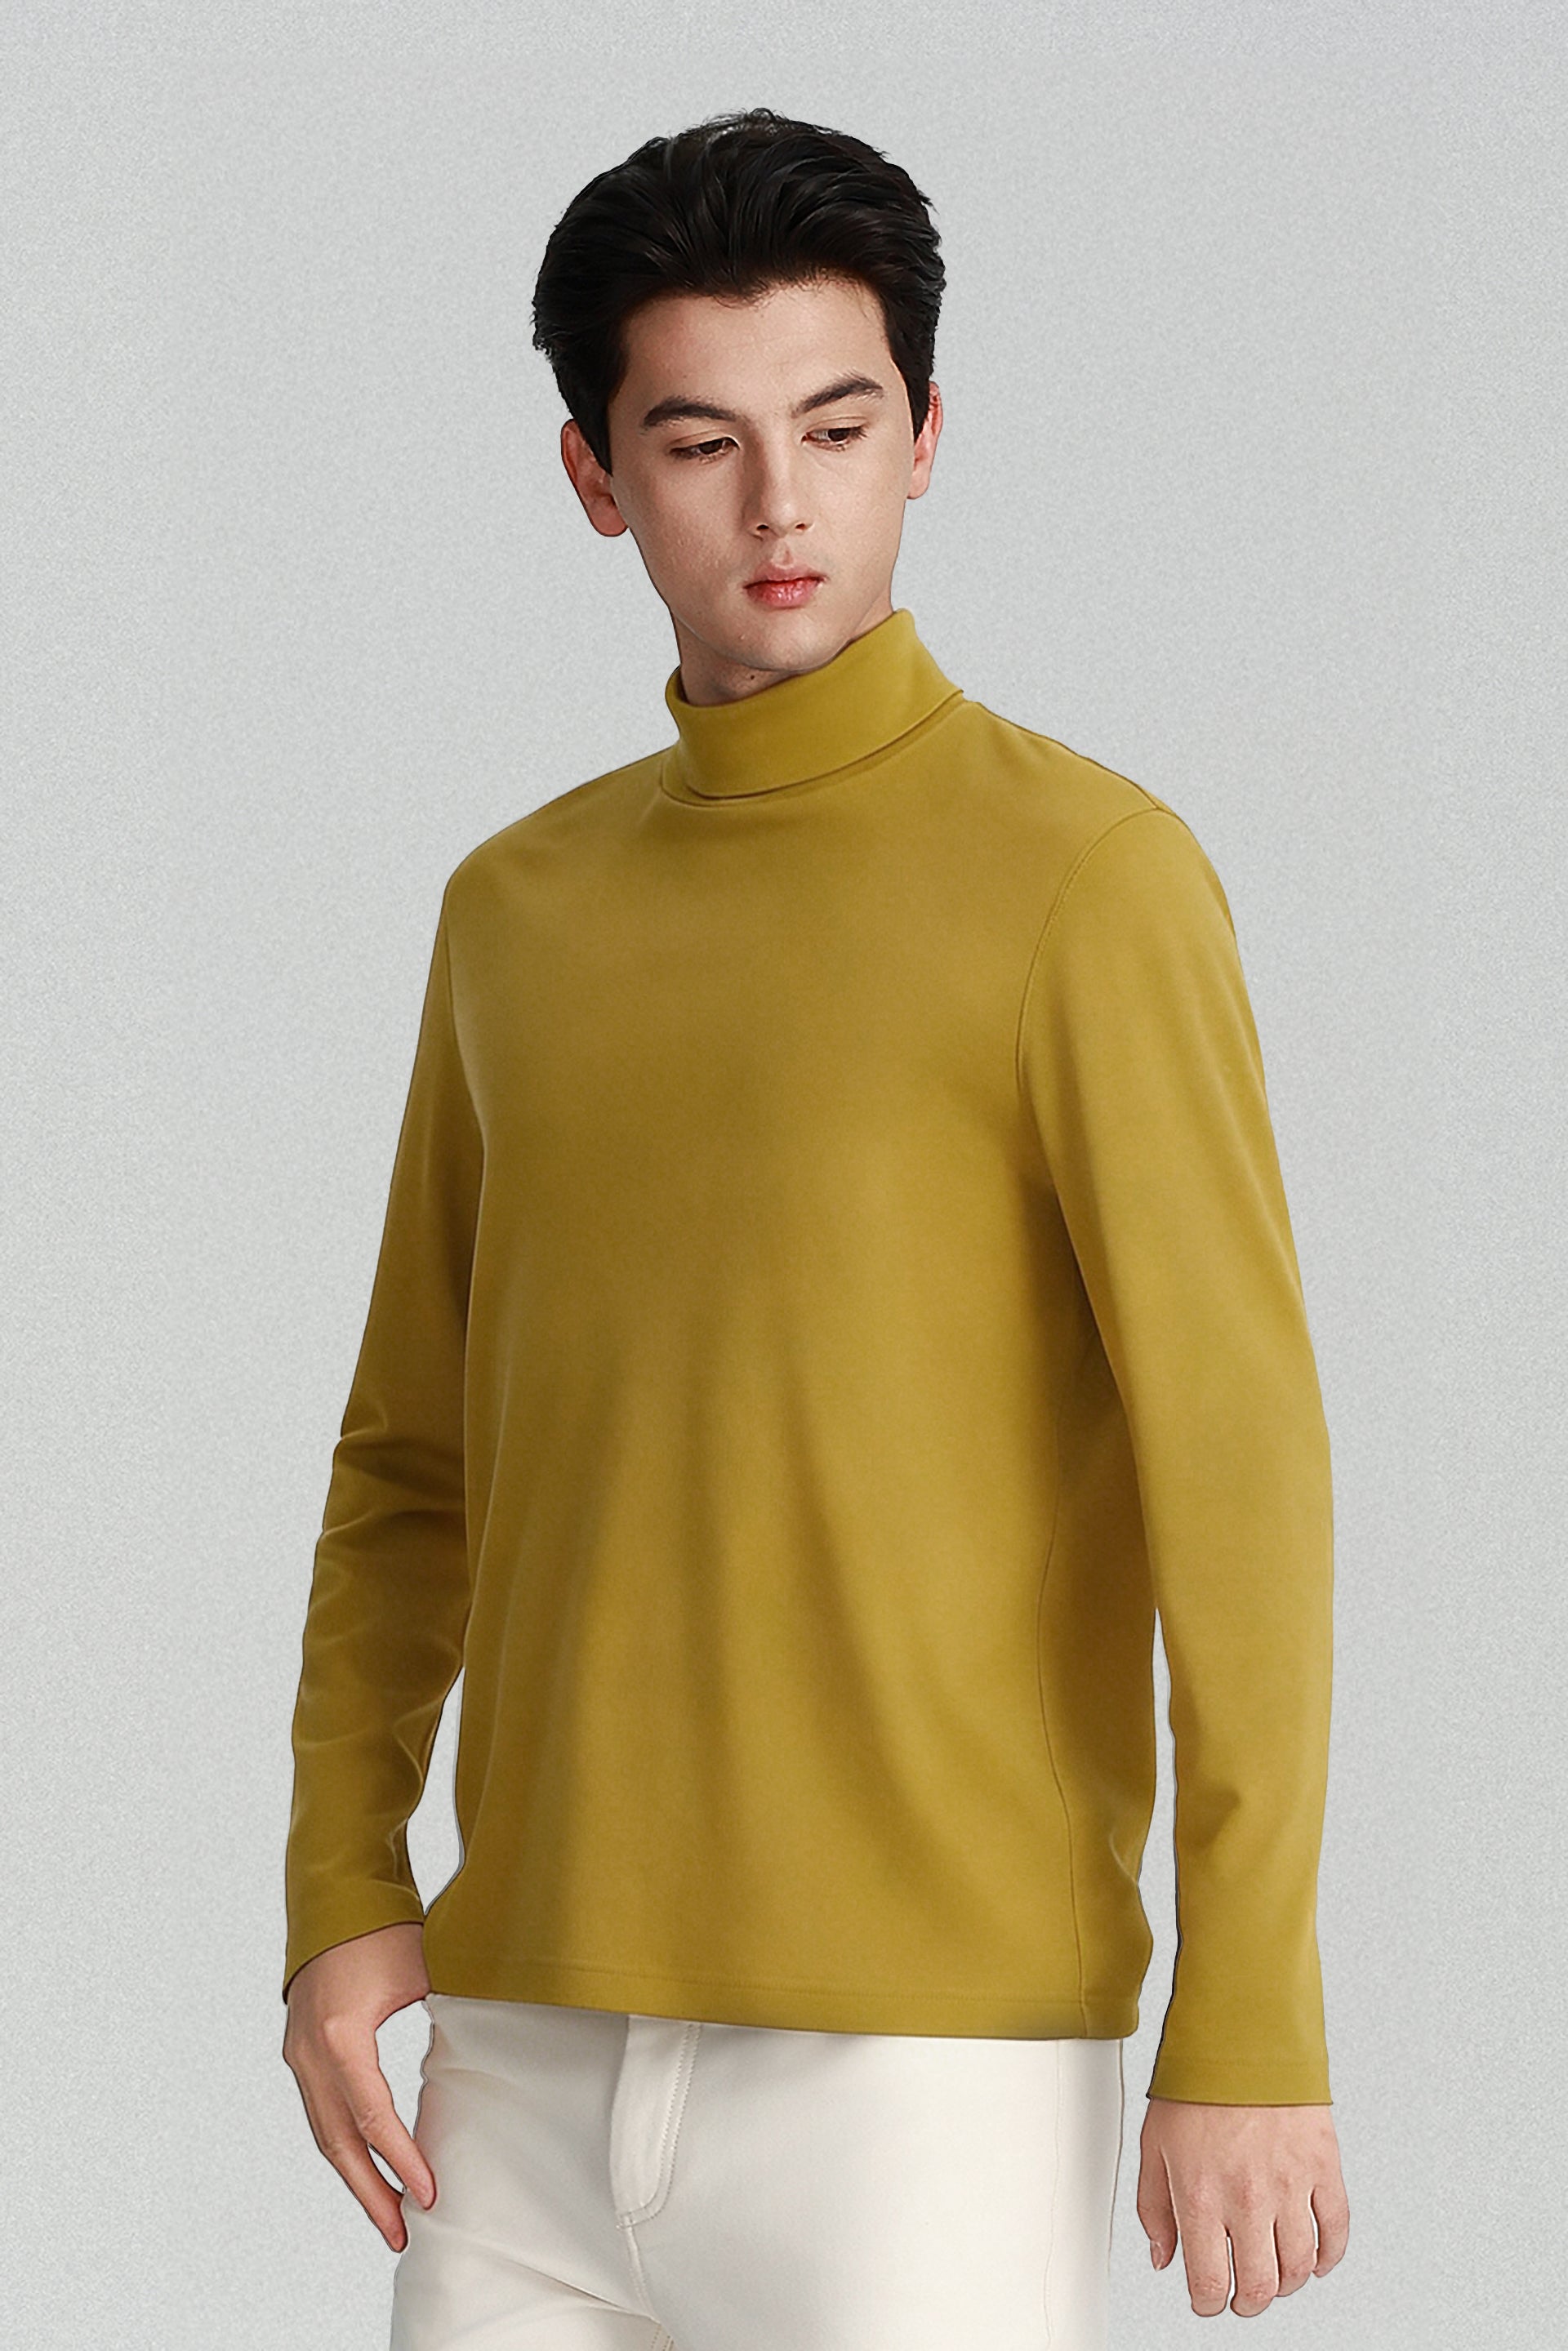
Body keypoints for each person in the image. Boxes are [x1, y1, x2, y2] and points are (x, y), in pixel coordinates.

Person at [280, 105, 1350, 2348]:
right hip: (522, 2047)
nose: (781, 504)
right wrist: (343, 1878)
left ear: (926, 440)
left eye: (840, 429)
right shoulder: (516, 913)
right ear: (597, 476)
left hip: (925, 2070)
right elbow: (411, 1463)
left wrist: (1250, 2012)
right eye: (701, 443)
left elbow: (1239, 1477)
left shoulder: (1089, 882)